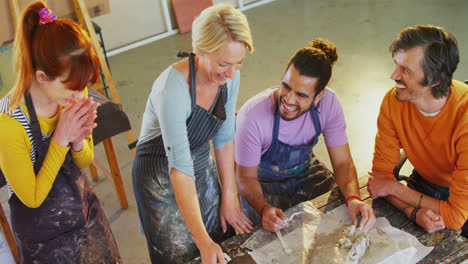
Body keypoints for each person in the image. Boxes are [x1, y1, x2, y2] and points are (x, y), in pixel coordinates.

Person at [131, 4, 254, 264]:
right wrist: (202, 240)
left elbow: (223, 136)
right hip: (160, 173)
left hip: (197, 160)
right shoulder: (172, 90)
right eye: (223, 64)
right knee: (182, 254)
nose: (231, 73)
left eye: (239, 63)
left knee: (221, 235)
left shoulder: (230, 75)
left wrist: (230, 196)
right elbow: (180, 169)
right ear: (200, 51)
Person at [0, 1, 121, 263]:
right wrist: (60, 138)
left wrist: (78, 142)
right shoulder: (9, 123)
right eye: (73, 90)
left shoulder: (73, 90)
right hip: (42, 235)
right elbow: (32, 198)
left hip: (84, 212)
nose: (81, 96)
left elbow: (85, 161)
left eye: (83, 87)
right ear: (42, 77)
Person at [235, 39, 375, 233]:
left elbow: (343, 162)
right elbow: (245, 177)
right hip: (261, 185)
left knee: (340, 225)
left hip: (304, 173)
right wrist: (263, 208)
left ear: (318, 97)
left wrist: (354, 199)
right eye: (286, 87)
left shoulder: (329, 104)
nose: (289, 99)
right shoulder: (253, 116)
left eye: (301, 95)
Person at [368, 25, 468, 237]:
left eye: (405, 70)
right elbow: (379, 181)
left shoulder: (464, 119)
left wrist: (396, 189)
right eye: (396, 65)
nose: (393, 75)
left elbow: (455, 216)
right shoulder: (393, 101)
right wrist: (414, 213)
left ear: (436, 80)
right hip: (426, 181)